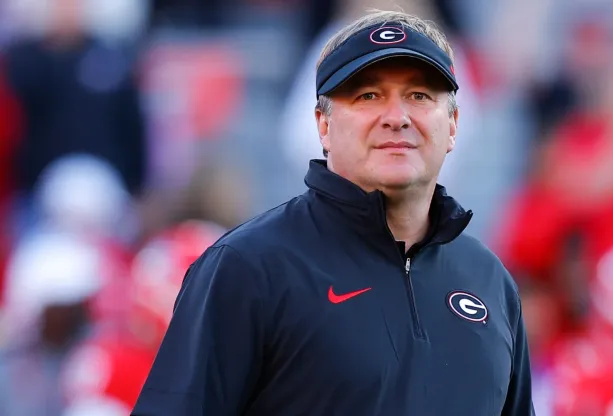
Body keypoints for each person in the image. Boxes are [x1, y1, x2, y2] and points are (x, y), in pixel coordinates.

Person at [132, 10, 535, 416]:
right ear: (322, 125)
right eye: (368, 96)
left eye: (419, 95)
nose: (396, 118)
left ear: (452, 125)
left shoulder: (490, 282)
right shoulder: (247, 268)